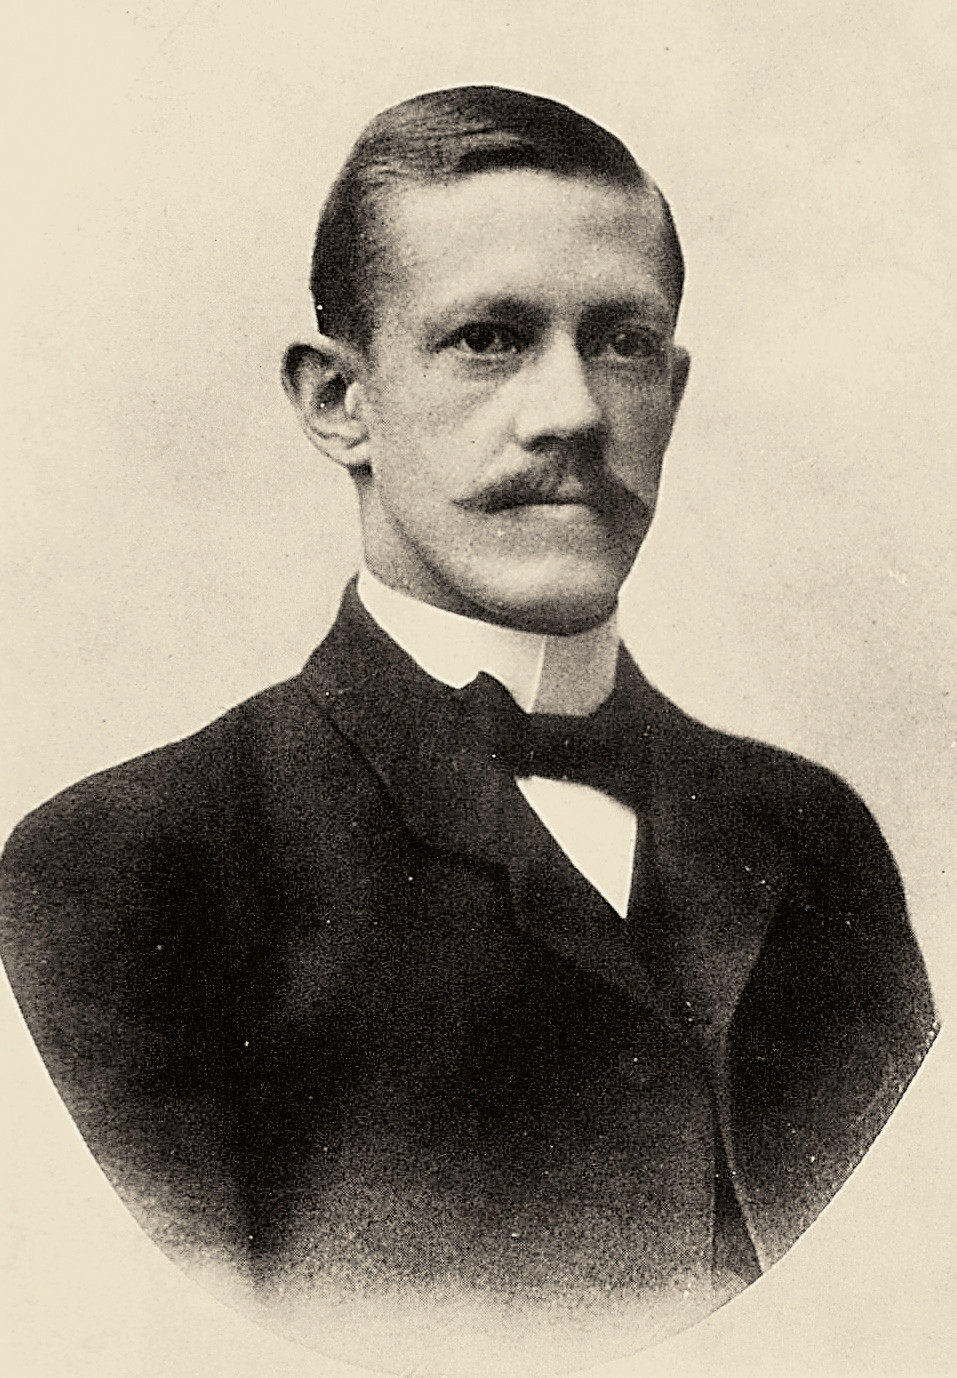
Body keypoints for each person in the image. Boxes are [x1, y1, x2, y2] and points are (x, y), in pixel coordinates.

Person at [0, 85, 938, 1365]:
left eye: (624, 344)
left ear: (674, 388)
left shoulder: (812, 834)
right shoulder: (122, 866)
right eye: (490, 339)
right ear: (339, 399)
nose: (575, 413)